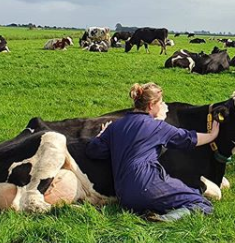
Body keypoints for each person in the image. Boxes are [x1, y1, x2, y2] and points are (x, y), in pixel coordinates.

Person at [86, 82, 220, 221]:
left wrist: (101, 135)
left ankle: (158, 209)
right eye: (160, 102)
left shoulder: (115, 126)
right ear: (150, 105)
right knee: (201, 203)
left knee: (189, 191)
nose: (162, 106)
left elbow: (93, 151)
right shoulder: (157, 127)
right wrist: (212, 136)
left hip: (124, 196)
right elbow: (187, 139)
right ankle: (166, 219)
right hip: (148, 186)